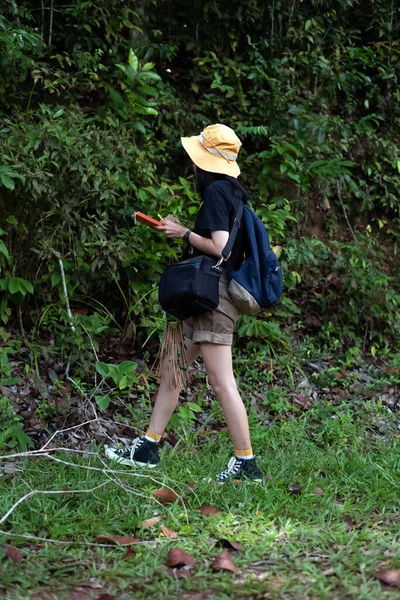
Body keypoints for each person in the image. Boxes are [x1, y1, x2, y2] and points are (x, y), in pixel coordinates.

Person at [106, 123, 262, 483]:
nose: (193, 167)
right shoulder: (232, 193)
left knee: (222, 382)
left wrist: (183, 233)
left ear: (204, 163)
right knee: (173, 369)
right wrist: (184, 231)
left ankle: (246, 464)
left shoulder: (217, 193)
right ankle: (147, 449)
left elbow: (221, 249)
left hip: (214, 299)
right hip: (206, 296)